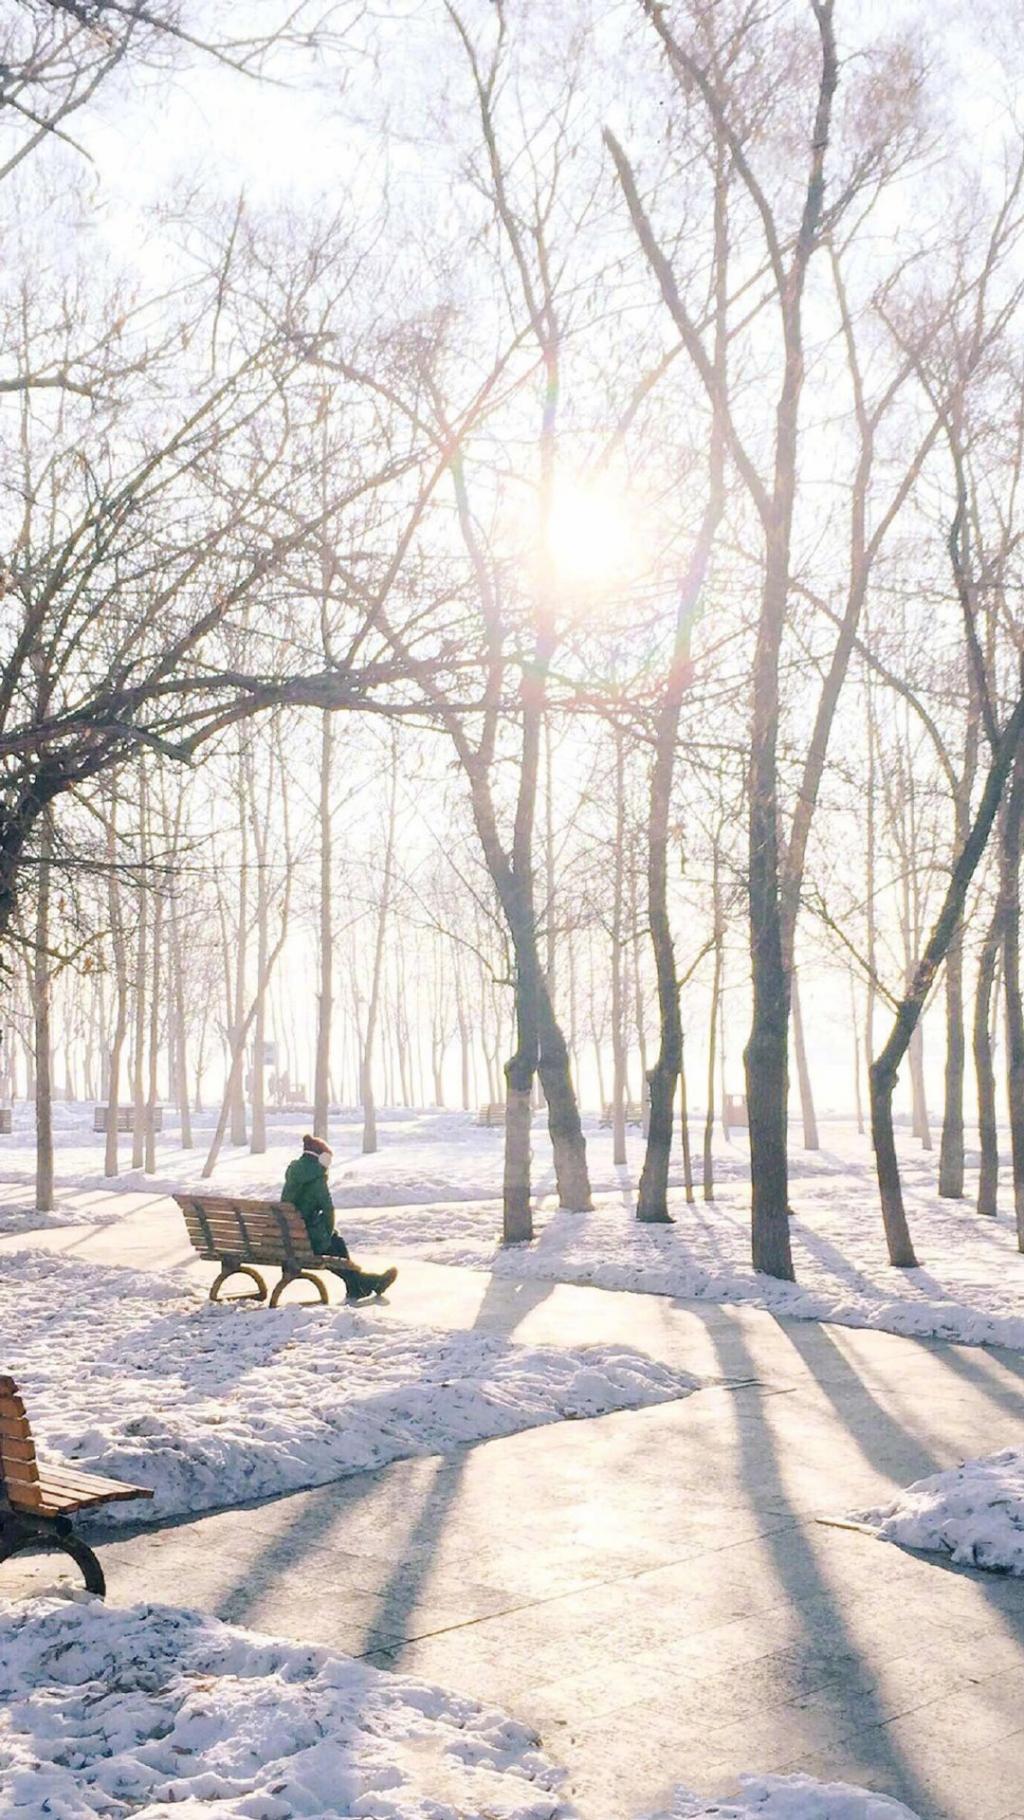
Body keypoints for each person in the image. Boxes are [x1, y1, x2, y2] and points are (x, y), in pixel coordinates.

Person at [281, 1134, 397, 1302]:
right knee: (335, 1243)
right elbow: (328, 1210)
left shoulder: (293, 1173)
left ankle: (360, 1284)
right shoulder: (316, 1179)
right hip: (305, 1241)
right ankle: (363, 1284)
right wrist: (328, 1234)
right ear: (322, 1158)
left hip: (288, 1239)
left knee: (335, 1242)